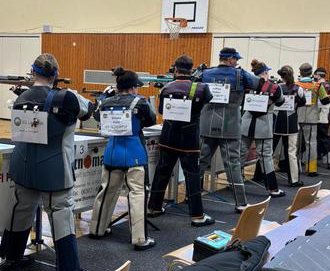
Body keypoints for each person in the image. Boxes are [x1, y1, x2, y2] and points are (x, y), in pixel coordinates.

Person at [0, 53, 95, 271]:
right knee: (61, 214)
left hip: (23, 165)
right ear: (56, 74)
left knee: (21, 209)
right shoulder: (68, 97)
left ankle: (10, 257)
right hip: (54, 168)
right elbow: (90, 110)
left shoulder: (22, 96)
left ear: (33, 72)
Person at [89, 67, 157, 249]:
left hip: (112, 154)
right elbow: (151, 120)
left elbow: (96, 116)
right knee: (137, 194)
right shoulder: (140, 102)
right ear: (133, 87)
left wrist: (104, 97)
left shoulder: (105, 102)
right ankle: (140, 239)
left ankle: (96, 229)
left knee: (106, 192)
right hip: (135, 154)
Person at [148, 55, 214, 226]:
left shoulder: (166, 88)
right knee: (192, 175)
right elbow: (206, 101)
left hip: (168, 136)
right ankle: (197, 216)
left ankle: (154, 207)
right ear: (191, 70)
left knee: (162, 171)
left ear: (175, 70)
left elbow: (161, 110)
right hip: (189, 138)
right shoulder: (202, 88)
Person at [200, 47, 260, 212]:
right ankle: (240, 203)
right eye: (236, 59)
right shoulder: (241, 75)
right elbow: (259, 83)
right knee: (233, 164)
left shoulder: (205, 73)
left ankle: (192, 198)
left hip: (206, 124)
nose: (237, 62)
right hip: (230, 125)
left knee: (200, 162)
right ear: (230, 59)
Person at [240, 60, 285, 197]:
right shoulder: (274, 87)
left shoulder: (247, 85)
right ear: (265, 72)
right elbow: (280, 101)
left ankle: (235, 183)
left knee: (240, 154)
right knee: (265, 157)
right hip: (264, 124)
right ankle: (272, 189)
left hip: (246, 123)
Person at [273, 65, 306, 187]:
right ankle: (294, 180)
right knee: (291, 152)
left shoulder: (276, 87)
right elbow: (303, 102)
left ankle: (261, 175)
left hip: (276, 123)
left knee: (268, 151)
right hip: (291, 123)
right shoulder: (298, 88)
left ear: (281, 76)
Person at [296, 63, 330, 176]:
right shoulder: (317, 86)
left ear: (300, 73)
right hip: (311, 118)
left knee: (294, 144)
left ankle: (292, 167)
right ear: (311, 73)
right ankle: (311, 169)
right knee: (311, 143)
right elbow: (325, 101)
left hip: (296, 118)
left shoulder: (296, 85)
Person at [314, 67, 330, 169]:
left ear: (317, 75)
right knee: (322, 137)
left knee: (318, 138)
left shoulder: (316, 85)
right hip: (325, 114)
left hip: (317, 114)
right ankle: (327, 160)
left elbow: (324, 100)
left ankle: (327, 161)